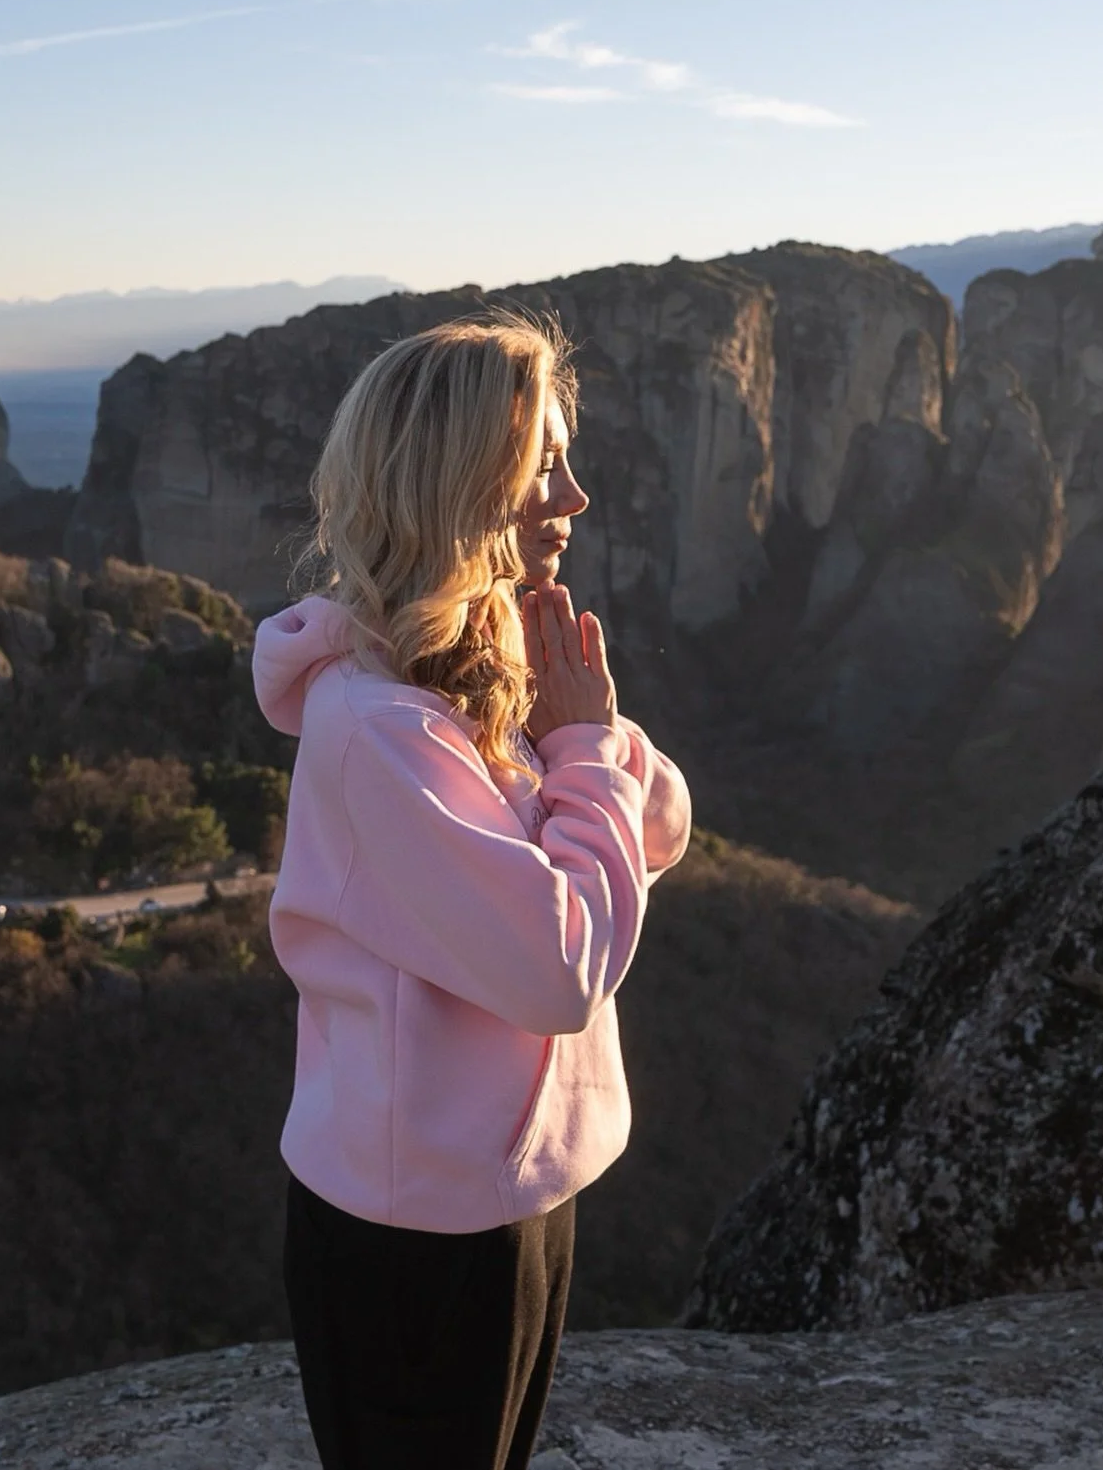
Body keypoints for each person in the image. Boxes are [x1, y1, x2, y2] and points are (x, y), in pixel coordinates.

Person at [251, 311, 692, 1470]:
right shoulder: (377, 729)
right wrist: (584, 749)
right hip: (413, 1238)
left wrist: (584, 735)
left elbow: (666, 826)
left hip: (525, 1194)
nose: (575, 493)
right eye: (545, 459)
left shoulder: (482, 674)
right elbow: (557, 968)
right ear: (463, 479)